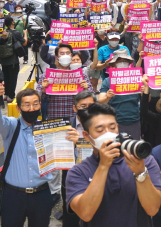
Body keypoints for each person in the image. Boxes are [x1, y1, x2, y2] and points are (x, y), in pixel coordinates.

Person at [66, 103, 161, 226]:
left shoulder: (144, 161)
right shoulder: (78, 171)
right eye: (100, 130)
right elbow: (85, 213)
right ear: (86, 136)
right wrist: (103, 166)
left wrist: (140, 172)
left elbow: (152, 209)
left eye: (112, 128)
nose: (108, 134)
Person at [0, 86, 55, 227]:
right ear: (19, 108)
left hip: (41, 193)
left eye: (35, 104)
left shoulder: (48, 129)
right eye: (26, 104)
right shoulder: (11, 127)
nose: (32, 108)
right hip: (13, 195)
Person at [61, 90, 96, 227]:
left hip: (96, 177)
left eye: (90, 106)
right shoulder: (64, 127)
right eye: (83, 106)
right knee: (72, 216)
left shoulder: (101, 127)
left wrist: (81, 142)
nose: (87, 109)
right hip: (72, 179)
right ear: (74, 108)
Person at [37, 48, 94, 120]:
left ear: (71, 56)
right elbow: (37, 97)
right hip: (54, 118)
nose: (65, 56)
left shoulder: (81, 75)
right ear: (57, 57)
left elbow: (92, 96)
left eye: (68, 53)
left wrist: (86, 89)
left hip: (76, 119)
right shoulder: (47, 76)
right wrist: (43, 90)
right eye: (62, 53)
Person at [97, 48, 142, 139]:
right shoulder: (107, 81)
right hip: (114, 123)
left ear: (129, 63)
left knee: (133, 150)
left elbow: (146, 100)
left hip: (134, 121)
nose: (122, 63)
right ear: (114, 64)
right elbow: (100, 101)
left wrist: (144, 93)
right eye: (119, 61)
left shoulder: (137, 79)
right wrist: (107, 97)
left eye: (125, 61)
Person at [0, 16, 27, 104]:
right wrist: (25, 34)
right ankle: (11, 96)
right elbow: (24, 43)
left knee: (5, 77)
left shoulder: (3, 33)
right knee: (12, 78)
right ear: (12, 22)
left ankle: (6, 95)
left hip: (3, 60)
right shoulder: (15, 33)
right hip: (13, 60)